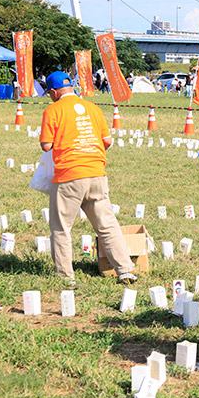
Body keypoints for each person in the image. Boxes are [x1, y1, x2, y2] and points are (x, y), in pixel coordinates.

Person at [39, 71, 137, 286]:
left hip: (68, 176)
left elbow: (46, 145)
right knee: (107, 226)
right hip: (97, 174)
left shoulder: (53, 110)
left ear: (54, 93)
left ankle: (66, 277)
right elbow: (108, 140)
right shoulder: (93, 108)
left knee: (61, 228)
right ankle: (125, 270)